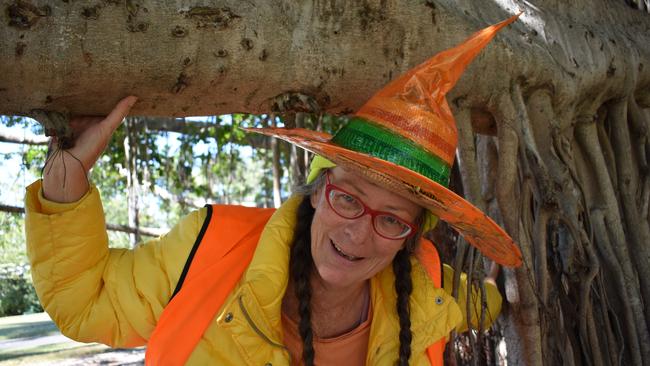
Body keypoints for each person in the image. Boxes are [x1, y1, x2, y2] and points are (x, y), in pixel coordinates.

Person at [24, 15, 522, 366]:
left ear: (411, 235)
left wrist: (509, 291)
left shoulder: (429, 285)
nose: (358, 232)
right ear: (316, 189)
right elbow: (85, 302)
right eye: (347, 198)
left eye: (392, 219)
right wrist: (65, 183)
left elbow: (481, 302)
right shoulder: (210, 249)